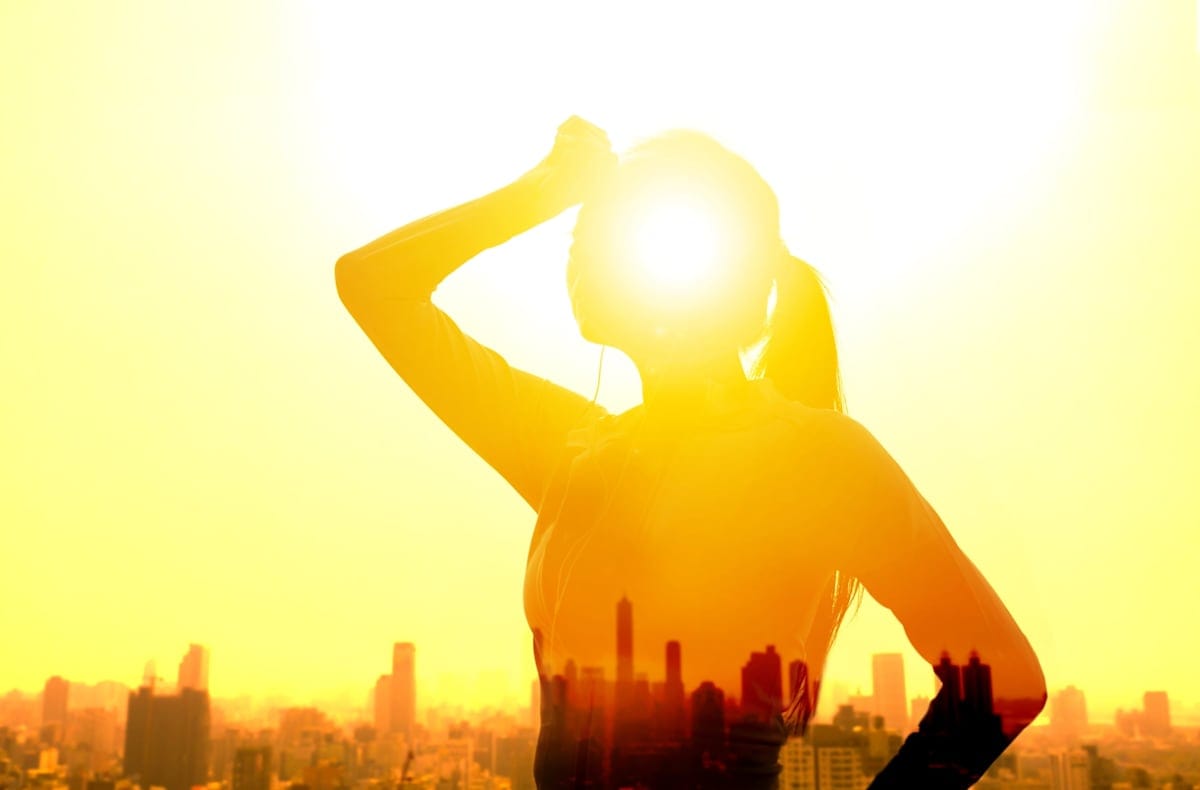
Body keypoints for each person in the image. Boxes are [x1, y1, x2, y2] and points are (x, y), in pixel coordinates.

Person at [335, 116, 1047, 789]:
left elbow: (1003, 682)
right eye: (577, 227)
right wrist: (540, 191)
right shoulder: (575, 448)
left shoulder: (813, 456)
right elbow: (374, 285)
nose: (574, 244)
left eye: (598, 225)